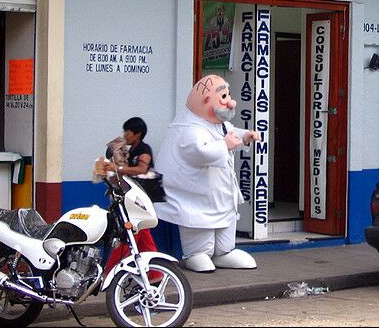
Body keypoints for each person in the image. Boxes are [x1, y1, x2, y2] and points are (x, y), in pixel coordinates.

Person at [155, 74, 260, 272]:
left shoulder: (217, 123)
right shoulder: (188, 127)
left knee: (225, 221)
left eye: (228, 95)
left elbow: (231, 132)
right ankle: (197, 254)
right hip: (195, 194)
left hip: (220, 191)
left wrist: (245, 136)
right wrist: (224, 145)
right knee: (199, 223)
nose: (231, 102)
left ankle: (224, 252)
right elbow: (198, 152)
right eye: (224, 97)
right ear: (206, 101)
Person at [94, 117, 160, 279]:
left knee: (128, 233)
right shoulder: (127, 150)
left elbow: (142, 169)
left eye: (128, 132)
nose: (125, 135)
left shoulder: (144, 149)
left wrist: (119, 168)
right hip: (128, 196)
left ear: (138, 134)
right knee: (143, 237)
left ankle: (111, 271)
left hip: (139, 198)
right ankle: (156, 272)